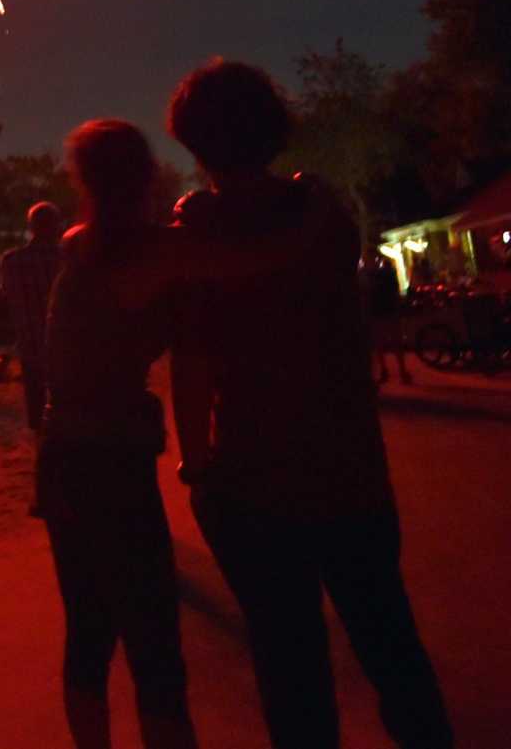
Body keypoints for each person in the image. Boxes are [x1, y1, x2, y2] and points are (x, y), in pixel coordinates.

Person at [167, 61, 451, 749]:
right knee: (392, 646)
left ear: (195, 141)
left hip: (256, 480)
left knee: (291, 670)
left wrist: (197, 466)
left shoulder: (199, 228)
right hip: (350, 467)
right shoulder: (323, 213)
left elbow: (194, 359)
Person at [38, 120, 198, 749]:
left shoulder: (80, 248)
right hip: (113, 459)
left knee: (88, 628)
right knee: (154, 639)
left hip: (63, 452)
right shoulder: (155, 253)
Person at [2, 202, 66, 429]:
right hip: (65, 339)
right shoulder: (68, 258)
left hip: (30, 339)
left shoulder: (12, 261)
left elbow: (9, 298)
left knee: (36, 405)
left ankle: (42, 451)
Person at [364, 256, 413, 386]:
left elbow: (366, 295)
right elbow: (395, 292)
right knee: (392, 342)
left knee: (382, 343)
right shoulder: (387, 274)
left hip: (380, 312)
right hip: (386, 311)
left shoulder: (368, 276)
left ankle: (387, 371)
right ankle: (399, 372)